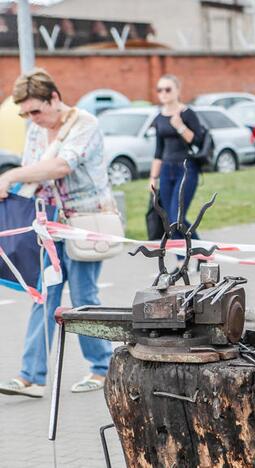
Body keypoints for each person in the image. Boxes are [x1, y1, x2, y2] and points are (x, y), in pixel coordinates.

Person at [0, 68, 115, 397]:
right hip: (48, 224)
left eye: (36, 110)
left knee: (83, 297)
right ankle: (31, 376)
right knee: (44, 296)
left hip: (84, 222)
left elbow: (63, 165)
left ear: (54, 98)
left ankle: (101, 368)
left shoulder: (86, 125)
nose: (32, 118)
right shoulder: (36, 131)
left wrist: (10, 176)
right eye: (25, 113)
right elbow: (34, 171)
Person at [148, 74, 205, 247]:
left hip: (186, 169)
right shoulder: (159, 117)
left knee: (177, 217)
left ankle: (201, 250)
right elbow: (158, 150)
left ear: (177, 91)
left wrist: (179, 126)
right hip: (166, 169)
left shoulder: (187, 114)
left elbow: (198, 141)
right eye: (160, 90)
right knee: (169, 219)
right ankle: (182, 262)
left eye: (167, 89)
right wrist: (153, 178)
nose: (163, 93)